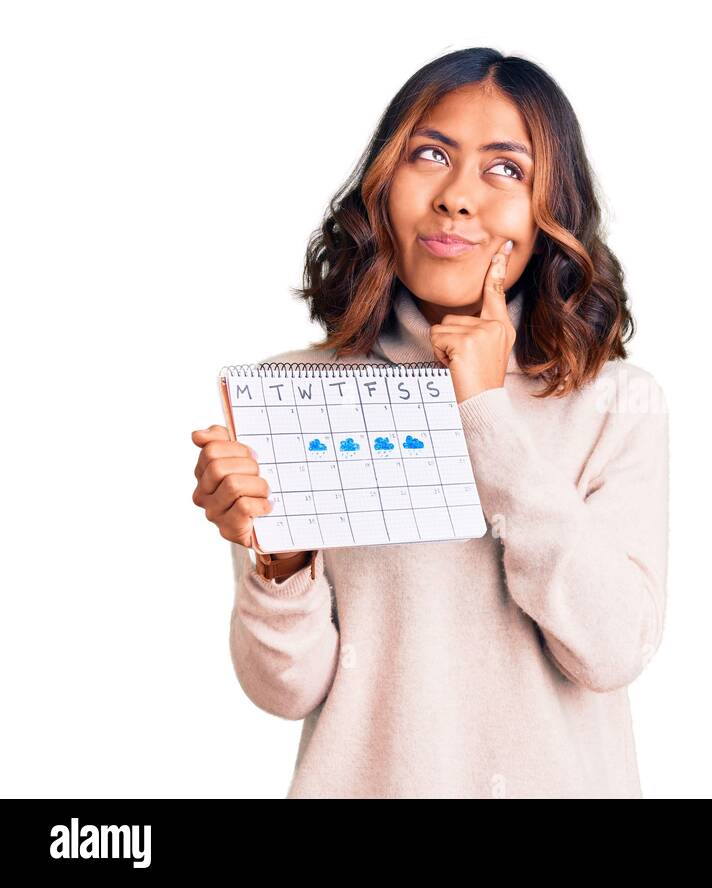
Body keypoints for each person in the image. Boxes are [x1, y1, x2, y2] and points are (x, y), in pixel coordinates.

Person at [189, 47, 669, 798]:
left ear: (551, 210)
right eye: (430, 155)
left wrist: (485, 414)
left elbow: (612, 650)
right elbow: (285, 690)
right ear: (384, 183)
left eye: (505, 169)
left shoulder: (614, 403)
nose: (456, 197)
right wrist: (277, 558)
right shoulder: (300, 392)